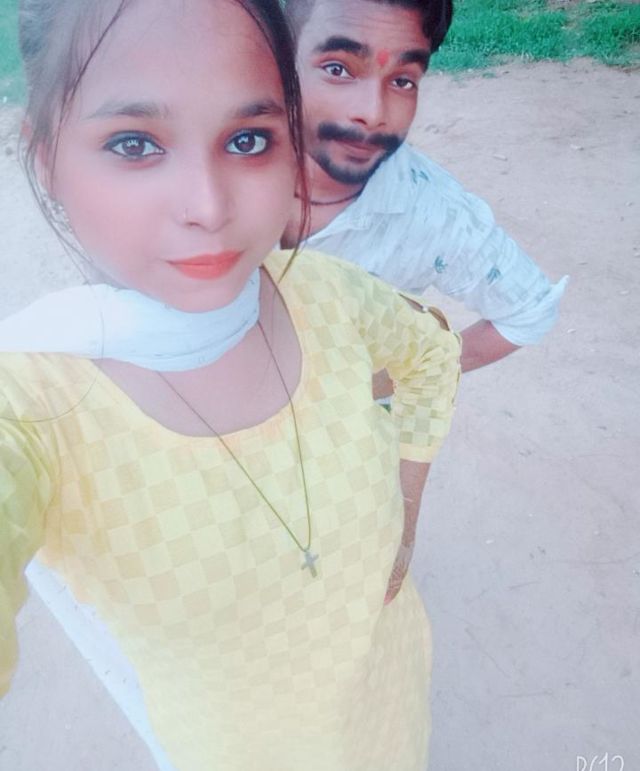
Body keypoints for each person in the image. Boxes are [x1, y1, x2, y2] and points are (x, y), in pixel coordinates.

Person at [0, 1, 460, 769]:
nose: (209, 208)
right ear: (47, 159)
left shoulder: (327, 295)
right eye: (135, 143)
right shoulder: (34, 407)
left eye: (248, 139)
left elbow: (433, 354)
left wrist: (405, 512)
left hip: (391, 703)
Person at [282, 0, 568, 380]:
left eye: (402, 80)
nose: (373, 113)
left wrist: (377, 383)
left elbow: (528, 310)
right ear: (277, 59)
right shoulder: (215, 164)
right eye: (338, 69)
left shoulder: (432, 214)